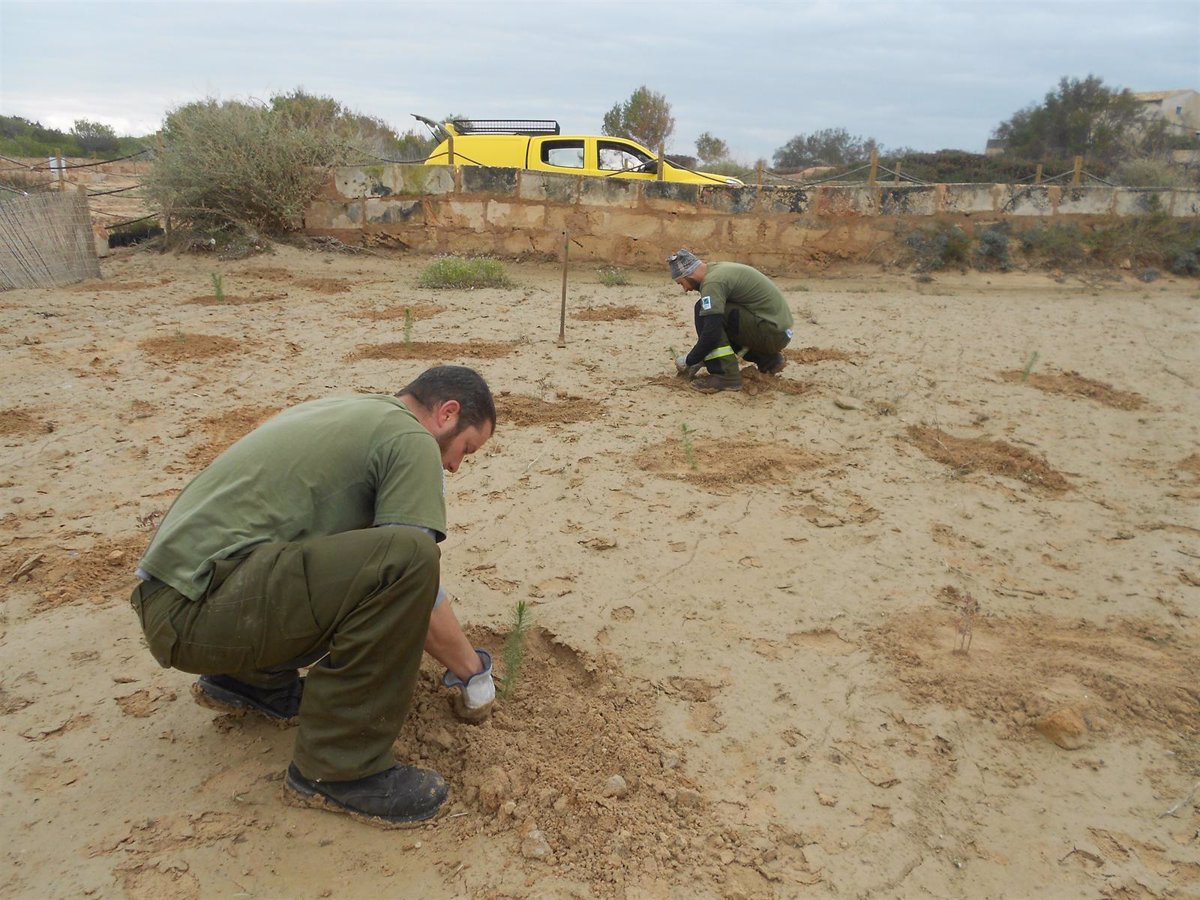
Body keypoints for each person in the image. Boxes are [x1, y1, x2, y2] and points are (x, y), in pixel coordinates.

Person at [128, 365, 497, 828]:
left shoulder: (350, 411)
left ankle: (250, 680)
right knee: (409, 557)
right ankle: (341, 768)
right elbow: (409, 573)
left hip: (181, 600)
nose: (456, 466)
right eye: (467, 448)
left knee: (359, 557)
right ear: (447, 413)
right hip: (201, 613)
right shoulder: (411, 440)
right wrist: (471, 671)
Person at [667, 248, 795, 393]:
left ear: (689, 274)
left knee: (704, 311)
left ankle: (726, 377)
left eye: (682, 283)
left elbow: (712, 332)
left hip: (771, 333)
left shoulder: (712, 283)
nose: (685, 289)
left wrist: (690, 360)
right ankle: (768, 360)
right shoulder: (717, 270)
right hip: (779, 332)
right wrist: (702, 358)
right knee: (716, 314)